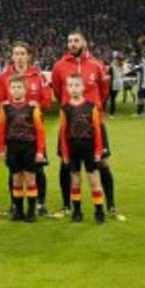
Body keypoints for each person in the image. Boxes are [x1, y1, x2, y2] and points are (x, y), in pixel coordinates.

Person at [50, 31, 117, 217]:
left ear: (84, 42)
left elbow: (104, 92)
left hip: (93, 122)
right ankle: (67, 206)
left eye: (76, 40)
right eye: (69, 40)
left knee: (102, 163)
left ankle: (110, 205)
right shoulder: (59, 66)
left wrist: (93, 109)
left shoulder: (97, 65)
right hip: (69, 122)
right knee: (66, 163)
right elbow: (57, 91)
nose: (72, 44)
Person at [0, 41, 52, 216]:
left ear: (29, 56)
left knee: (38, 169)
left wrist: (38, 105)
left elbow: (47, 101)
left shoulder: (38, 76)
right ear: (12, 56)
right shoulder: (4, 77)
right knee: (14, 172)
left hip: (33, 133)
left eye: (22, 53)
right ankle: (15, 204)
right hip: (13, 135)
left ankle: (39, 204)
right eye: (16, 53)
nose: (19, 57)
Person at [0, 75, 45, 222]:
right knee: (16, 179)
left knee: (30, 179)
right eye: (13, 87)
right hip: (12, 147)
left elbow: (40, 130)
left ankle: (31, 212)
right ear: (9, 90)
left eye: (19, 87)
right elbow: (1, 130)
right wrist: (2, 148)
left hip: (29, 147)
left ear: (25, 90)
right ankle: (18, 211)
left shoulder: (33, 108)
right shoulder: (5, 108)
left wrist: (40, 151)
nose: (16, 90)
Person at [59, 74, 106, 224]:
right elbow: (63, 133)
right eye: (71, 85)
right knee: (75, 181)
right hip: (73, 148)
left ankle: (99, 211)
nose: (74, 88)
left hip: (89, 147)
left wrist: (98, 151)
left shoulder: (91, 106)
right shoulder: (65, 108)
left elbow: (98, 131)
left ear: (83, 87)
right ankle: (77, 211)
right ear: (67, 88)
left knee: (93, 180)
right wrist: (65, 154)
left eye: (77, 85)